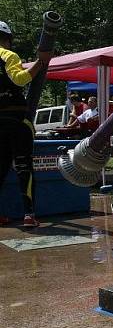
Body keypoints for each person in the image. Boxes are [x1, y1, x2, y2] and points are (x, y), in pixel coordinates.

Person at [0, 20, 52, 227]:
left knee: (0, 167)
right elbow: (20, 80)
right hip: (16, 118)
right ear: (7, 39)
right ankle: (29, 215)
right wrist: (40, 62)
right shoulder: (8, 55)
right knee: (24, 165)